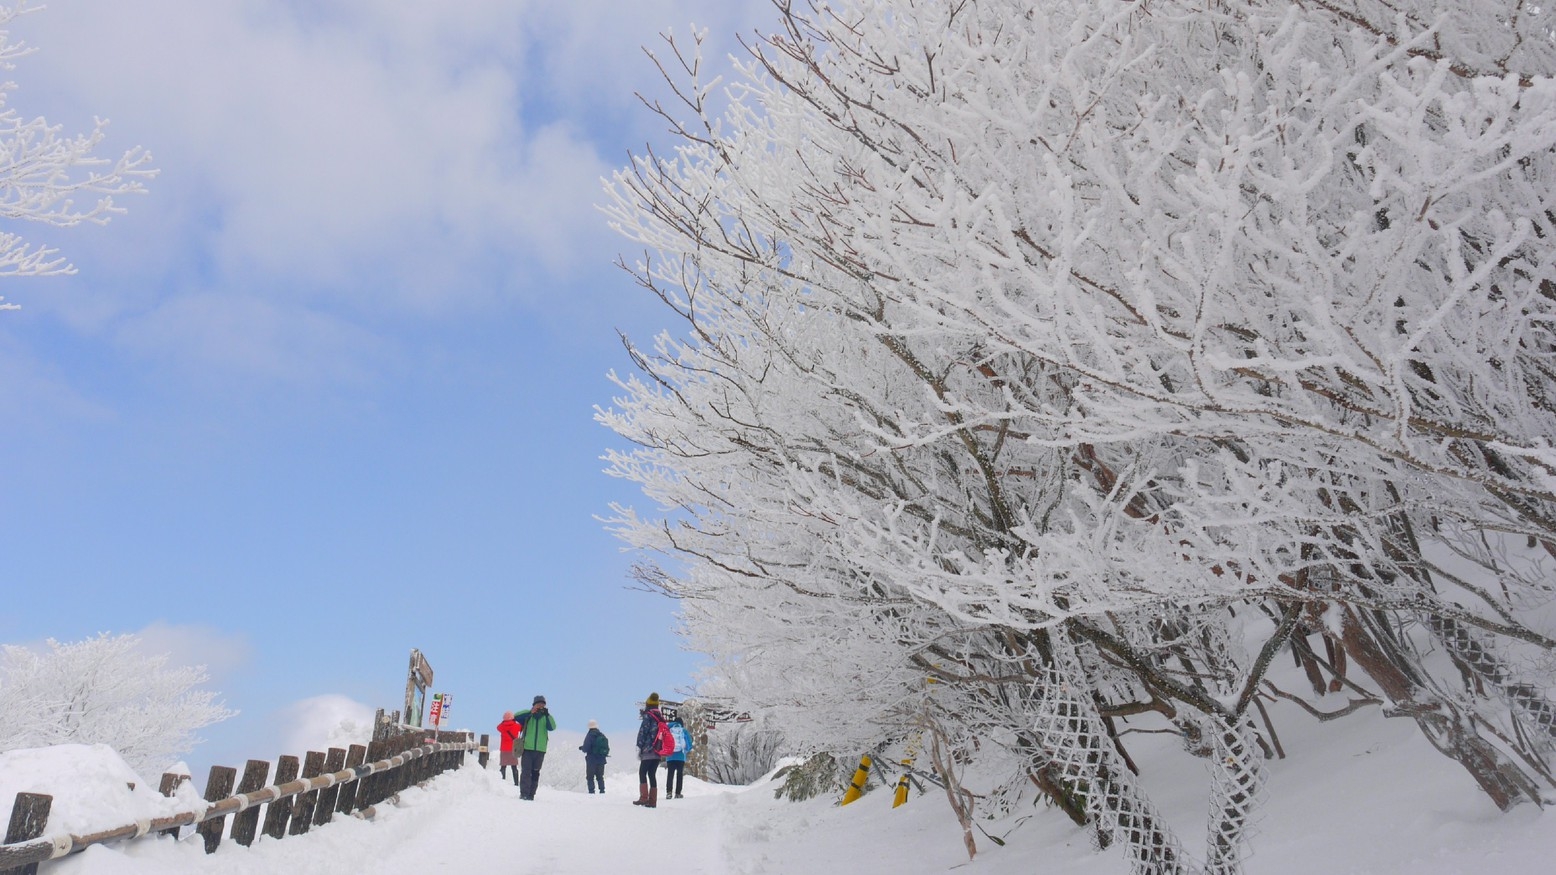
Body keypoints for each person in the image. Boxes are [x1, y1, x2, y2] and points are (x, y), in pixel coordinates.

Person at [514, 695, 556, 800]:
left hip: (540, 749)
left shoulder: (546, 718)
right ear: (534, 705)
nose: (541, 706)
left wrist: (548, 715)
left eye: (543, 704)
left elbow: (553, 727)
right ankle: (524, 793)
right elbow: (516, 716)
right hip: (527, 748)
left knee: (535, 772)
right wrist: (530, 712)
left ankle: (531, 794)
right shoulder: (528, 716)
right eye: (539, 704)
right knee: (526, 771)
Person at [634, 692, 668, 808]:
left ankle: (644, 798)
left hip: (648, 749)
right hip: (658, 751)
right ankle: (652, 801)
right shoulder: (661, 718)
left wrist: (639, 745)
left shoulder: (648, 716)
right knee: (652, 774)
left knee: (642, 772)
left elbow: (643, 732)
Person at [664, 713, 692, 799]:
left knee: (670, 774)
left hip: (670, 756)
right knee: (679, 775)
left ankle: (669, 792)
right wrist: (686, 750)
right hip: (680, 757)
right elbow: (689, 744)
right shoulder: (684, 731)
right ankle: (678, 793)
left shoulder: (669, 729)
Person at [579, 719, 609, 794]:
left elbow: (586, 748)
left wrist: (582, 748)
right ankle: (602, 791)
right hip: (601, 760)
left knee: (590, 777)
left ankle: (591, 791)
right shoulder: (602, 735)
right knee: (600, 776)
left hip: (592, 760)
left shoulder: (590, 735)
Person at [497, 711, 523, 786]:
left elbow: (497, 727)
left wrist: (503, 722)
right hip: (513, 749)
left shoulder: (502, 727)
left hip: (504, 749)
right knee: (514, 767)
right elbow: (521, 728)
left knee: (503, 766)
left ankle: (502, 781)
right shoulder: (516, 725)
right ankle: (516, 783)